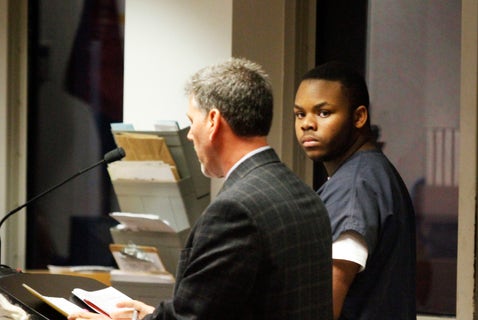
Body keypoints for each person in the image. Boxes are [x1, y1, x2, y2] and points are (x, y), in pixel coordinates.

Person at [69, 58, 333, 320]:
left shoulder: (235, 210)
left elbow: (193, 318)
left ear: (213, 121)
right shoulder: (304, 194)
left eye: (192, 120)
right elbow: (229, 305)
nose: (189, 134)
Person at [293, 61, 416, 319]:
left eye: (323, 113)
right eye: (300, 114)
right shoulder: (372, 173)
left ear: (359, 117)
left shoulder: (354, 186)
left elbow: (323, 306)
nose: (307, 124)